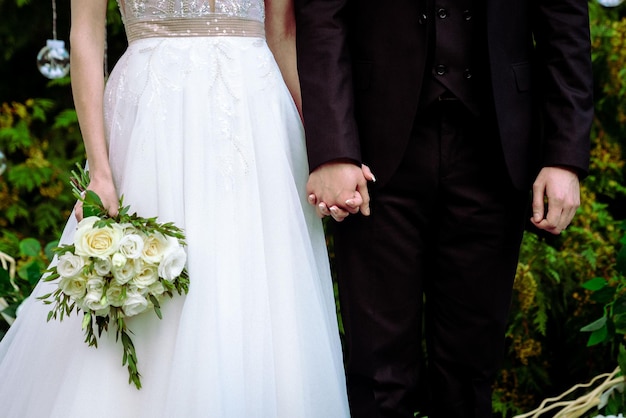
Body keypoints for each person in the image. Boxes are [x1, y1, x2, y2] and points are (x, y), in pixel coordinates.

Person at [0, 1, 350, 416]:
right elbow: (86, 39)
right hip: (152, 115)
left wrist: (327, 150)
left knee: (257, 282)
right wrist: (100, 171)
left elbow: (283, 33)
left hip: (258, 117)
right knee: (161, 283)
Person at [294, 0, 593, 417]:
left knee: (470, 372)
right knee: (379, 370)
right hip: (376, 154)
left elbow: (566, 28)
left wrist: (564, 156)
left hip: (494, 149)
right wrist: (333, 149)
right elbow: (322, 18)